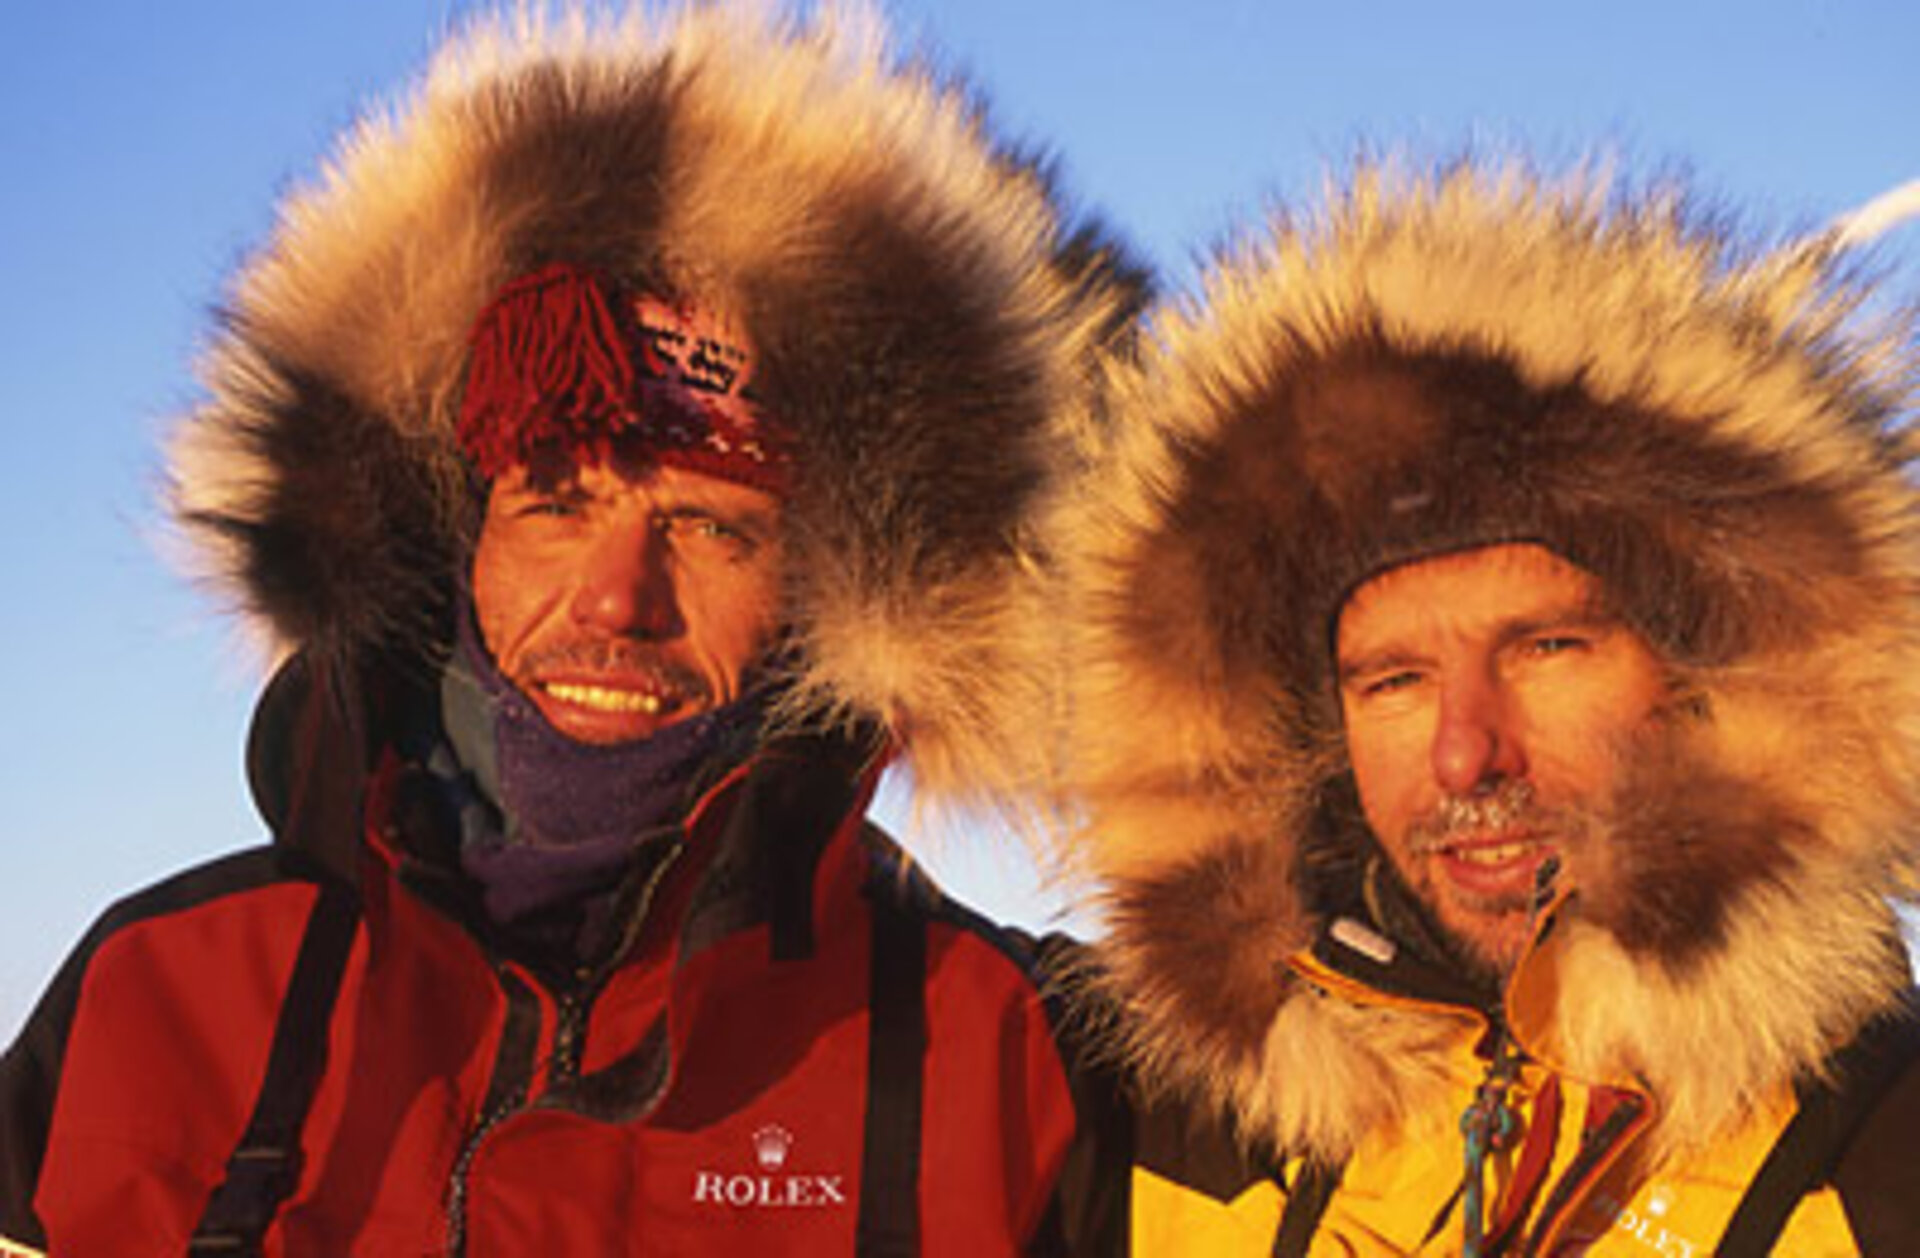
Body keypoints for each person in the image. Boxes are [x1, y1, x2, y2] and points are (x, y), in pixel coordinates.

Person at [0, 7, 1141, 1255]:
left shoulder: (1003, 1054)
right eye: (555, 499)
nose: (616, 599)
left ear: (837, 597)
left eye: (715, 530)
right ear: (450, 543)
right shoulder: (157, 995)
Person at [1047, 161, 1920, 1254]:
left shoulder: (1885, 1157)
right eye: (1393, 680)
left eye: (1549, 647)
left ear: (1716, 676)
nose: (1466, 756)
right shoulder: (1159, 1117)